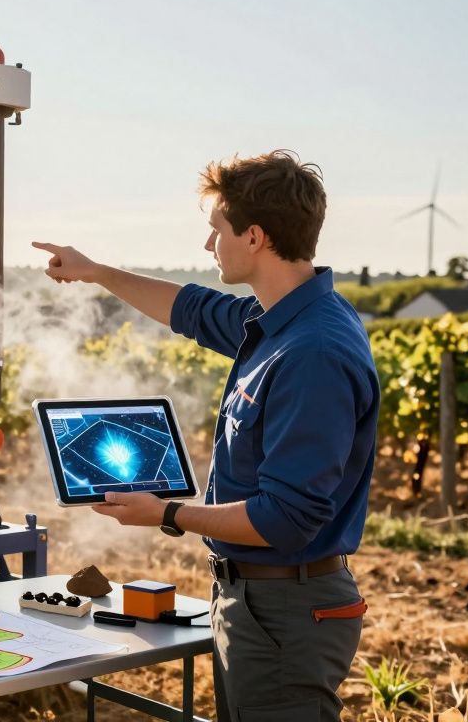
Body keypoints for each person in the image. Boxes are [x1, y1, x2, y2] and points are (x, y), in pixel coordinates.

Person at [32, 150, 378, 722]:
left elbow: (285, 518)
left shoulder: (312, 352)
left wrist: (168, 514)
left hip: (284, 614)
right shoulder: (280, 321)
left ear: (255, 237)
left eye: (216, 229)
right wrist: (95, 272)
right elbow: (189, 309)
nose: (207, 245)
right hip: (257, 603)